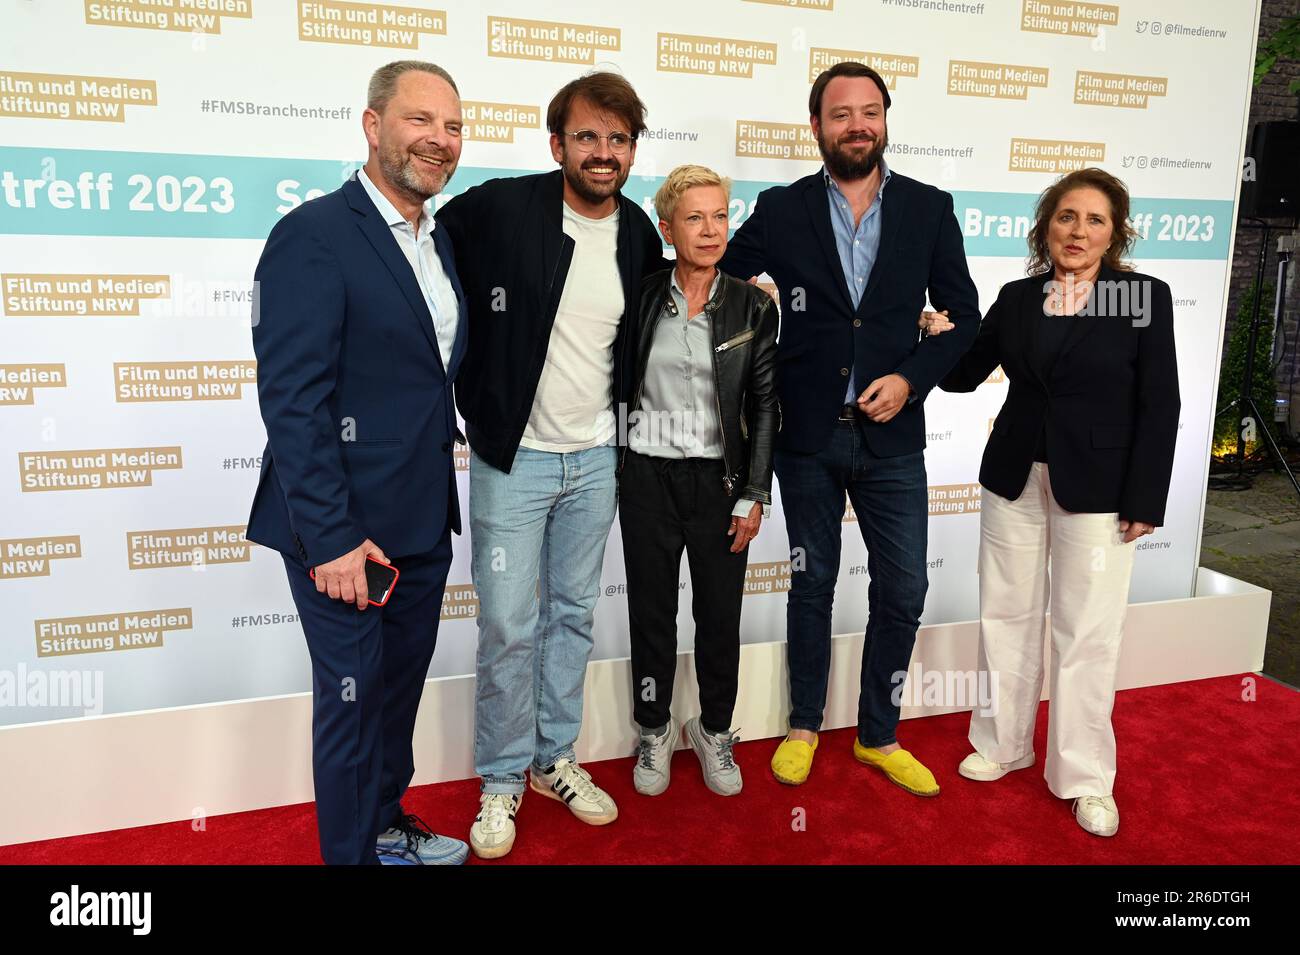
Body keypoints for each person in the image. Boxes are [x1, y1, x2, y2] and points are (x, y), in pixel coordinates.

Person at [719, 61, 979, 795]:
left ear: (886, 119)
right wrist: (760, 303)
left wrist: (914, 375)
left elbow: (964, 316)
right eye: (840, 114)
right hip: (806, 436)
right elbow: (719, 280)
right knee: (813, 583)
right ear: (817, 127)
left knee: (902, 590)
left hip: (894, 440)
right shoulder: (780, 207)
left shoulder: (930, 208)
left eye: (870, 111)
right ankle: (805, 723)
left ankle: (877, 733)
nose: (856, 124)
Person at [435, 71, 669, 859]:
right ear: (557, 144)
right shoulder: (500, 207)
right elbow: (427, 256)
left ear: (632, 148)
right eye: (588, 137)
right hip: (515, 458)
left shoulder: (637, 230)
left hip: (597, 457)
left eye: (618, 139)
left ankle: (552, 758)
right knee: (507, 626)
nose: (603, 152)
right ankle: (500, 779)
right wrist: (472, 387)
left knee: (572, 614)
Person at [247, 61, 469, 864]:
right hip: (339, 532)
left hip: (418, 519)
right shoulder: (313, 235)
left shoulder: (434, 239)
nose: (438, 140)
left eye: (451, 126)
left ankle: (384, 823)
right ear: (373, 126)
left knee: (394, 693)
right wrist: (334, 538)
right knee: (350, 700)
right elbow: (293, 401)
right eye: (420, 120)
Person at [928, 166, 1180, 837]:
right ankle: (1002, 744)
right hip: (1014, 476)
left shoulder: (1141, 298)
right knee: (1005, 614)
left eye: (1095, 219)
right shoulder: (1016, 298)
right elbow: (961, 376)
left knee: (1086, 632)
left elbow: (1161, 405)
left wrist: (1146, 494)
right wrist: (937, 331)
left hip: (1099, 490)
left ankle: (1086, 775)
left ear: (1115, 233)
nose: (1078, 231)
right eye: (1067, 216)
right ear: (1046, 226)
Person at [620, 165, 779, 798]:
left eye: (720, 216)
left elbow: (766, 404)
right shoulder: (640, 295)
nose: (711, 230)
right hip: (646, 480)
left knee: (719, 615)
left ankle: (714, 730)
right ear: (666, 228)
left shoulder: (752, 303)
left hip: (721, 483)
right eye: (694, 218)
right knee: (651, 613)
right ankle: (653, 728)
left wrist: (754, 492)